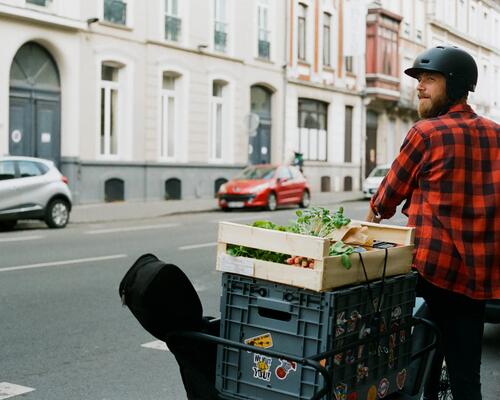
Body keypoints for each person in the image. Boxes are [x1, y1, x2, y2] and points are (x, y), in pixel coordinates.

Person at [365, 45, 499, 400]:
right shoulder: (497, 134)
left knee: (410, 341)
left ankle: (408, 388)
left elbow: (388, 195)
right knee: (466, 369)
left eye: (430, 79)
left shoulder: (425, 133)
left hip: (434, 266)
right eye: (419, 79)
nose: (420, 87)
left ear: (455, 86)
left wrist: (373, 213)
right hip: (478, 274)